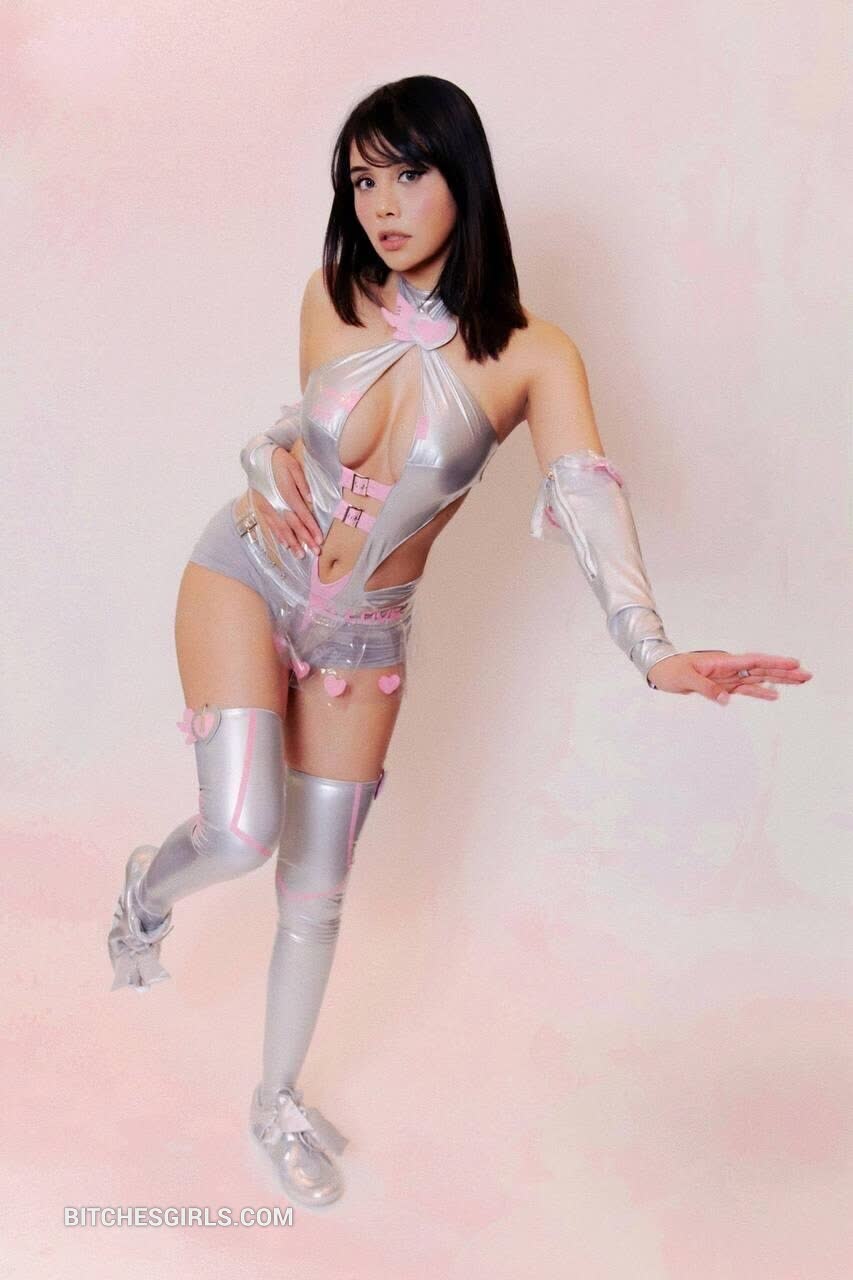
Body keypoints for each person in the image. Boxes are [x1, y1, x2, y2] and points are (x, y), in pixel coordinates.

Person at [106, 75, 813, 1210]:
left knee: (315, 894)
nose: (381, 204)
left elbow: (587, 498)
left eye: (407, 173)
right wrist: (261, 456)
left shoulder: (537, 355)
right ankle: (146, 889)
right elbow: (311, 436)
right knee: (239, 831)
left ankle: (276, 1100)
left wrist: (653, 651)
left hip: (363, 635)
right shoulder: (331, 291)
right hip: (245, 573)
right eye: (360, 181)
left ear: (462, 176)